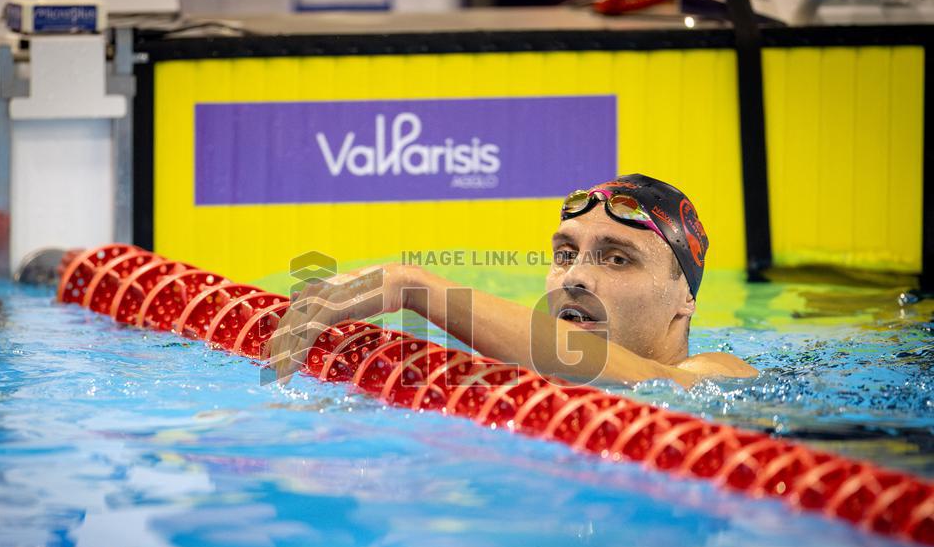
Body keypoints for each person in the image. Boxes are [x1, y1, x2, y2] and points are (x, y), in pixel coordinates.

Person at [267, 173, 758, 387]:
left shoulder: (722, 373)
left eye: (617, 260)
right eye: (565, 254)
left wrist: (411, 285)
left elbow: (652, 381)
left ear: (685, 297)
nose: (577, 277)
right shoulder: (521, 362)